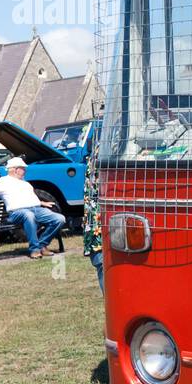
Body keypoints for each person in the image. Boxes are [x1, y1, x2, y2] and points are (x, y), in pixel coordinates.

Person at [0, 156, 65, 259]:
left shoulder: (25, 183)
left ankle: (42, 245)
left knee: (59, 219)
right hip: (17, 213)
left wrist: (41, 202)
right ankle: (35, 249)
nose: (25, 171)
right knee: (28, 215)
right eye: (23, 168)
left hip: (36, 209)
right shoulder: (3, 181)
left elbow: (29, 198)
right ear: (16, 169)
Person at [83, 122, 103, 292]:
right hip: (99, 219)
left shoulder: (95, 153)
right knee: (103, 262)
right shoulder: (102, 154)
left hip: (94, 220)